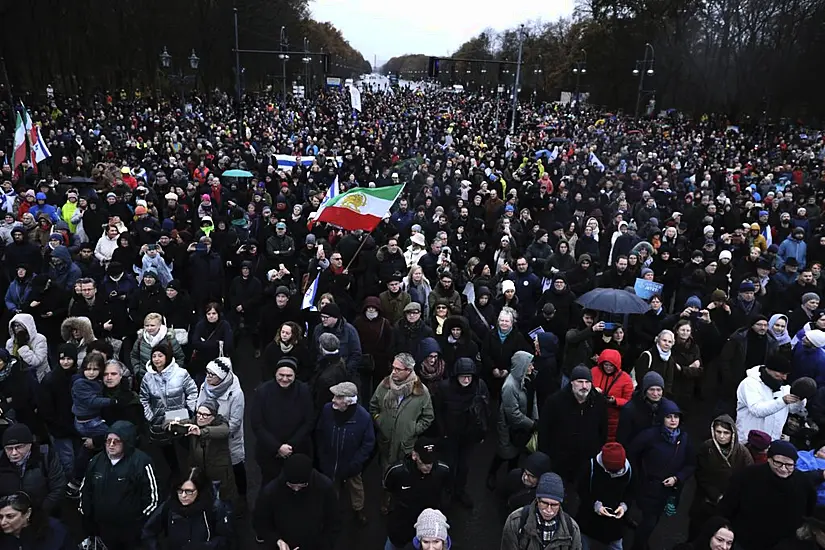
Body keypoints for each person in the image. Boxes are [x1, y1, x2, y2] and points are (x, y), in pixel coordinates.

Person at [718, 440, 815, 550]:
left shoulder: (803, 483)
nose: (783, 468)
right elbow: (728, 506)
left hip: (783, 544)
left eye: (789, 465)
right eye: (778, 463)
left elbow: (808, 512)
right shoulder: (748, 476)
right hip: (744, 540)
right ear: (769, 459)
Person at [369, 352, 435, 514]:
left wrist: (413, 429)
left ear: (408, 371)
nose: (394, 372)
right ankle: (386, 497)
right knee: (386, 473)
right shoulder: (384, 385)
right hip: (386, 442)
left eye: (398, 369)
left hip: (406, 445)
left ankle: (400, 500)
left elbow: (428, 416)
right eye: (393, 368)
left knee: (405, 475)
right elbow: (373, 406)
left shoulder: (421, 391)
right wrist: (380, 420)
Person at [79, 421, 159, 550]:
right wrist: (87, 518)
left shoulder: (141, 462)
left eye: (116, 441)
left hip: (131, 531)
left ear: (127, 442)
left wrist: (140, 523)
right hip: (103, 528)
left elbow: (152, 498)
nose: (111, 445)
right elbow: (85, 490)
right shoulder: (96, 461)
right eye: (108, 440)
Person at [627, 400, 695, 550]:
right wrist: (638, 474)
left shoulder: (684, 439)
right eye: (669, 417)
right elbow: (631, 453)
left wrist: (677, 478)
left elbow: (690, 464)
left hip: (669, 490)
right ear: (662, 418)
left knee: (654, 520)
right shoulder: (649, 435)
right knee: (649, 521)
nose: (673, 420)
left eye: (676, 417)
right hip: (648, 487)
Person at [315, 381, 375, 526]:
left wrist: (355, 464)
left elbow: (368, 443)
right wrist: (322, 456)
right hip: (330, 462)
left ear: (348, 402)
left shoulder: (363, 417)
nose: (333, 400)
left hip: (351, 464)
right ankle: (332, 511)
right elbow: (320, 432)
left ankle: (358, 510)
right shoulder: (327, 410)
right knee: (330, 487)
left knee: (356, 488)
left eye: (338, 397)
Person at [253, 453, 341, 550]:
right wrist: (277, 540)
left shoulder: (325, 488)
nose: (296, 489)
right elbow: (261, 523)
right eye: (291, 485)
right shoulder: (271, 492)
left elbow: (333, 524)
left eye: (301, 486)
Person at [434, 357, 489, 508]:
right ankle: (448, 490)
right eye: (463, 376)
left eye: (469, 376)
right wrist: (442, 431)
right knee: (449, 465)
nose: (466, 379)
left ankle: (460, 491)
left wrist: (482, 433)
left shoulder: (479, 387)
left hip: (469, 436)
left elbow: (485, 410)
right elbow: (437, 411)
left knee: (464, 466)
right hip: (450, 435)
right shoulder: (444, 388)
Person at [538, 364, 608, 483]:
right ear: (571, 382)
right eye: (580, 382)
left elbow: (603, 429)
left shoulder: (599, 401)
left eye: (587, 382)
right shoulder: (555, 402)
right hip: (560, 461)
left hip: (586, 461)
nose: (584, 386)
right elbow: (544, 432)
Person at [251, 357, 314, 485]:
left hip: (297, 451)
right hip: (269, 453)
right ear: (275, 374)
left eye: (289, 375)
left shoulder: (304, 391)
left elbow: (309, 421)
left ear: (295, 375)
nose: (285, 379)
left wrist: (290, 446)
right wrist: (277, 447)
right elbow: (257, 424)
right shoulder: (263, 392)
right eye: (281, 375)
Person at [689, 415, 753, 539]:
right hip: (706, 499)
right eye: (718, 432)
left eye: (726, 433)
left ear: (732, 434)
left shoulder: (742, 453)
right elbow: (700, 474)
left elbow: (748, 477)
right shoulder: (706, 447)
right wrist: (715, 495)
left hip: (729, 501)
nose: (722, 436)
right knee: (697, 530)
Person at [139, 342, 198, 474]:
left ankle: (191, 474)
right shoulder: (147, 378)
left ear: (167, 357)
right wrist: (150, 415)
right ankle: (175, 474)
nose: (156, 359)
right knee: (167, 451)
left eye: (160, 355)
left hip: (181, 418)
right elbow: (143, 398)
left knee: (186, 447)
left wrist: (189, 409)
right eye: (154, 356)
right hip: (159, 421)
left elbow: (193, 391)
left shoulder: (181, 373)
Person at [141, 467, 232, 550]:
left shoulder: (214, 508)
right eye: (180, 491)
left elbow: (226, 539)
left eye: (189, 491)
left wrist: (205, 547)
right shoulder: (170, 506)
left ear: (199, 491)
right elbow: (148, 531)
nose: (183, 496)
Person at [383, 438, 450, 550]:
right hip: (401, 525)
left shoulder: (442, 471)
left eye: (431, 462)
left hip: (427, 527)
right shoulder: (397, 472)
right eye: (424, 461)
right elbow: (388, 487)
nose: (429, 466)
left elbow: (446, 491)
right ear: (414, 456)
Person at [196, 357, 246, 506]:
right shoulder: (205, 386)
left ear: (222, 377)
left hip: (229, 439)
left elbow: (235, 424)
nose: (208, 377)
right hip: (208, 437)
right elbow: (199, 406)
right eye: (207, 373)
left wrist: (210, 429)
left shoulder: (236, 394)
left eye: (212, 375)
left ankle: (242, 497)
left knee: (236, 468)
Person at [488, 350, 537, 490]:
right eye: (529, 365)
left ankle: (510, 480)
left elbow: (533, 400)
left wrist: (535, 418)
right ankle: (492, 474)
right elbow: (513, 415)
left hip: (522, 427)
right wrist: (532, 424)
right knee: (504, 453)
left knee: (515, 455)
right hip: (509, 429)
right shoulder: (509, 386)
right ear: (522, 366)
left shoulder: (527, 379)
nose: (532, 368)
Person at [171, 400, 237, 503]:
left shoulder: (221, 424)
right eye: (199, 413)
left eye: (205, 415)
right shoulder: (193, 422)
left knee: (221, 501)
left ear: (213, 416)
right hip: (199, 472)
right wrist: (172, 425)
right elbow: (167, 422)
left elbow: (225, 431)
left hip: (217, 474)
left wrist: (201, 432)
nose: (200, 417)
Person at [500, 472, 583, 550]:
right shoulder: (516, 521)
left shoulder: (572, 529)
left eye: (554, 505)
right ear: (537, 500)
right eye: (544, 503)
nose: (549, 510)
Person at [576, 443, 633, 550]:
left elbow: (631, 491)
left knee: (616, 546)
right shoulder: (591, 467)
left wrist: (624, 506)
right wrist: (595, 505)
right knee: (582, 544)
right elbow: (581, 489)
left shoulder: (629, 470)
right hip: (588, 519)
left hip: (615, 523)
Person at [0, 423, 66, 516]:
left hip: (42, 515)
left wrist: (39, 514)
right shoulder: (1, 460)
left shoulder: (46, 456)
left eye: (19, 447)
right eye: (9, 449)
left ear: (30, 445)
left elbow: (58, 487)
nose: (14, 453)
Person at [735, 355, 807, 440]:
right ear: (769, 369)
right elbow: (757, 410)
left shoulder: (783, 387)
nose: (784, 377)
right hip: (749, 440)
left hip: (772, 440)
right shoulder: (750, 384)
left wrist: (800, 400)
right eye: (782, 373)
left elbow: (792, 409)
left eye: (787, 374)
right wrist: (782, 401)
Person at [616, 371, 675, 446]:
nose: (655, 394)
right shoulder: (630, 409)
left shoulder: (667, 407)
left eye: (658, 390)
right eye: (651, 390)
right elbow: (622, 437)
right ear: (645, 390)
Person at [0, 491, 72, 550]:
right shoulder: (3, 538)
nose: (2, 522)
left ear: (27, 513)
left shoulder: (55, 531)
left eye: (10, 516)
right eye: (0, 517)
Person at [130, 312, 186, 384]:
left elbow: (179, 357)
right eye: (147, 325)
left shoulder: (169, 339)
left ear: (159, 325)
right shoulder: (140, 339)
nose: (149, 328)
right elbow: (134, 356)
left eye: (152, 325)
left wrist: (173, 373)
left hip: (167, 380)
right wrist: (138, 371)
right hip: (145, 378)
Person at [591, 349, 634, 442]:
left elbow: (629, 401)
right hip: (594, 415)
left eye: (611, 365)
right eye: (606, 364)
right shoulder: (593, 372)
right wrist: (593, 392)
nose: (608, 368)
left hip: (614, 418)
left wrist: (615, 401)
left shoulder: (625, 378)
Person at [312, 302, 363, 380]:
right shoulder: (318, 329)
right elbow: (314, 350)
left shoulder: (349, 330)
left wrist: (346, 371)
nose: (323, 319)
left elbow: (356, 353)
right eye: (322, 316)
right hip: (322, 371)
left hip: (343, 373)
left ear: (335, 317)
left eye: (326, 317)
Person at [71, 351, 113, 441]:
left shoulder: (97, 381)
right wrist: (112, 401)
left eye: (95, 369)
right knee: (113, 436)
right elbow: (91, 401)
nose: (91, 373)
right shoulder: (80, 383)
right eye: (88, 369)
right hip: (88, 422)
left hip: (95, 418)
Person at [500, 451, 553, 517]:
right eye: (525, 472)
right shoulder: (514, 475)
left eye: (532, 476)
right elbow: (503, 493)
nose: (525, 477)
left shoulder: (544, 495)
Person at [5, 313, 49, 382]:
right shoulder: (10, 342)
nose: (16, 328)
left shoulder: (40, 339)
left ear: (27, 325)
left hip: (39, 377)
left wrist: (22, 346)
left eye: (19, 326)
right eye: (14, 326)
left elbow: (37, 361)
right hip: (19, 378)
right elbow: (9, 361)